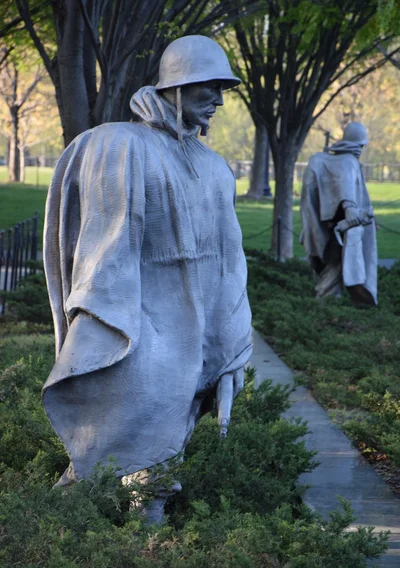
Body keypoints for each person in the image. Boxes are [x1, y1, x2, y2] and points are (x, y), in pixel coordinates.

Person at [42, 35, 252, 518]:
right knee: (115, 435)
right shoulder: (120, 146)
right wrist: (99, 324)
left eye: (223, 89)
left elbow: (229, 261)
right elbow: (104, 250)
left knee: (160, 447)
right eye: (208, 88)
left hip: (193, 334)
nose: (218, 101)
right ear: (176, 87)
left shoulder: (216, 169)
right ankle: (81, 533)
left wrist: (230, 342)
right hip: (136, 323)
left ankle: (136, 544)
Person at [300, 122, 377, 305]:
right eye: (361, 145)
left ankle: (328, 303)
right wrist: (350, 208)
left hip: (330, 229)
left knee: (335, 264)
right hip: (336, 232)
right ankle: (325, 303)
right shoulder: (349, 162)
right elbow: (345, 185)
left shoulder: (326, 161)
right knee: (336, 264)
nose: (361, 149)